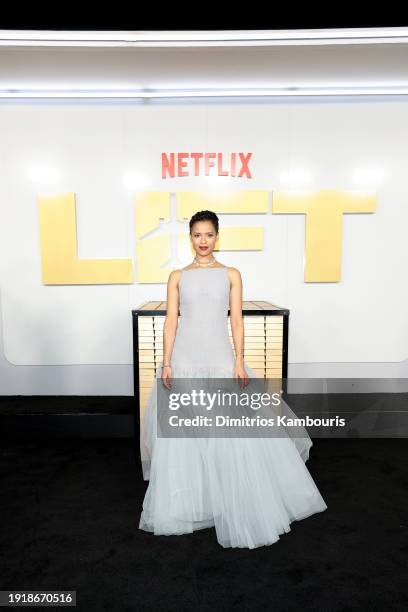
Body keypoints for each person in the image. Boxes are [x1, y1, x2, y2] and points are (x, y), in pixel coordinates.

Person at [139, 210, 327, 549]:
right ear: (191, 238)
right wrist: (166, 363)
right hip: (184, 360)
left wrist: (239, 361)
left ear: (217, 236)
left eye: (209, 234)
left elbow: (237, 322)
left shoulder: (231, 275)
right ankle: (198, 502)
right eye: (197, 235)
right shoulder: (177, 276)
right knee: (187, 433)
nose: (203, 241)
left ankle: (234, 498)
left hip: (221, 359)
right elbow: (170, 323)